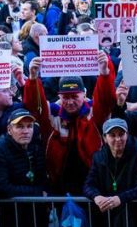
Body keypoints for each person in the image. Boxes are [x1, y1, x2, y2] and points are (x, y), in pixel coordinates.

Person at [23, 52, 115, 195]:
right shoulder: (52, 114)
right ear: (59, 96)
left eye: (74, 96)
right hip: (60, 185)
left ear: (84, 94)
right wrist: (33, 79)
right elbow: (35, 106)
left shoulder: (94, 112)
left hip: (94, 184)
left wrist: (104, 74)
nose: (70, 102)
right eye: (65, 97)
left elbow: (107, 100)